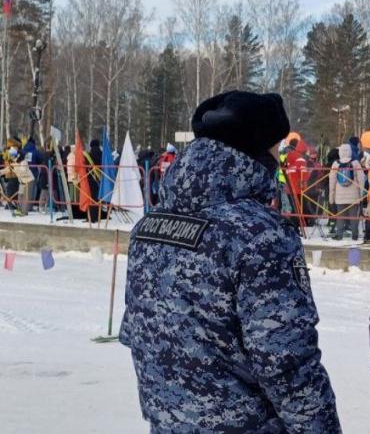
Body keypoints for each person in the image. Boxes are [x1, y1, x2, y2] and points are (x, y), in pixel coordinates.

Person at [119, 91, 341, 431]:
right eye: (277, 147)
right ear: (261, 151)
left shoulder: (147, 228)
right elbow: (286, 364)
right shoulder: (259, 235)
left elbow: (137, 334)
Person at [329, 143, 366, 241]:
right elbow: (361, 179)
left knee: (340, 216)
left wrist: (331, 198)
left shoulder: (336, 163)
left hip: (339, 196)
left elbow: (332, 181)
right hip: (354, 196)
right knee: (354, 216)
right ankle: (355, 235)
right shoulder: (355, 163)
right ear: (350, 151)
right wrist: (361, 194)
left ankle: (339, 234)